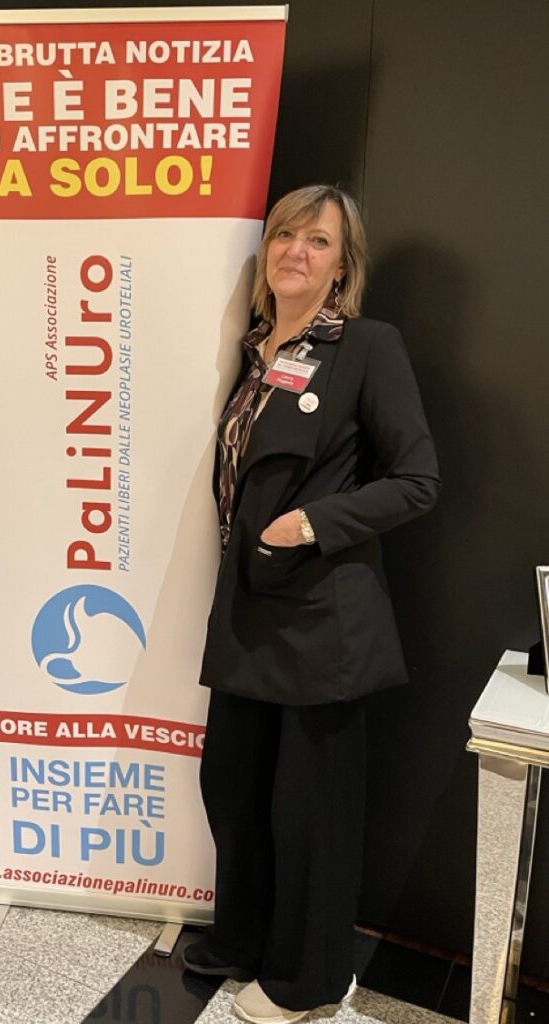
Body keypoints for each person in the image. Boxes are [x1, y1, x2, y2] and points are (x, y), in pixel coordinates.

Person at [183, 185, 440, 1023]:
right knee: (232, 788)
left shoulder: (367, 346)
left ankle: (308, 980)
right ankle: (242, 936)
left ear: (342, 264)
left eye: (318, 241)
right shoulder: (255, 349)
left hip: (323, 619)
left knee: (309, 815)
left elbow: (416, 481)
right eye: (285, 233)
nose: (296, 250)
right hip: (247, 609)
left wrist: (312, 522)